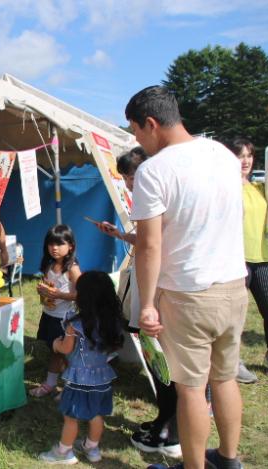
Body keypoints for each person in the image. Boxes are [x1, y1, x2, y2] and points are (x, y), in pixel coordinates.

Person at [126, 86, 248, 469]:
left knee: (192, 388)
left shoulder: (154, 170)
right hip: (233, 285)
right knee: (224, 378)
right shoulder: (223, 154)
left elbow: (148, 245)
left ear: (151, 123)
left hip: (188, 293)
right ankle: (228, 459)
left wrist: (146, 305)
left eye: (135, 131)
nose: (137, 141)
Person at [94, 147, 182, 458]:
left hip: (160, 292)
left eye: (131, 177)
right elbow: (147, 242)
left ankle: (171, 430)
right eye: (127, 179)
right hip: (151, 290)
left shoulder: (161, 193)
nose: (130, 184)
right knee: (156, 359)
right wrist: (120, 235)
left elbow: (155, 246)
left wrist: (147, 304)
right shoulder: (150, 196)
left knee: (165, 360)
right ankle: (164, 419)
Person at [39, 271, 125, 464]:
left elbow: (65, 348)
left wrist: (55, 344)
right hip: (103, 378)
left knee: (71, 417)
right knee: (96, 415)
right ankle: (92, 449)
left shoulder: (75, 324)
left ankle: (64, 452)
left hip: (79, 379)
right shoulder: (113, 322)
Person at [227, 137, 268, 382]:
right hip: (233, 260)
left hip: (260, 259)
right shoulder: (224, 187)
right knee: (235, 317)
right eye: (240, 155)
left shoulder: (260, 188)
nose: (245, 161)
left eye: (249, 156)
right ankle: (234, 361)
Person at [30, 224, 82, 397]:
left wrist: (58, 294)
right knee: (54, 351)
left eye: (59, 244)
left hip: (65, 319)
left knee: (67, 354)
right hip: (49, 315)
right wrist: (43, 291)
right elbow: (48, 287)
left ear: (71, 246)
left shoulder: (72, 269)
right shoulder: (49, 265)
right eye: (51, 244)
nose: (54, 248)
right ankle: (50, 384)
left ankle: (71, 386)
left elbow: (80, 294)